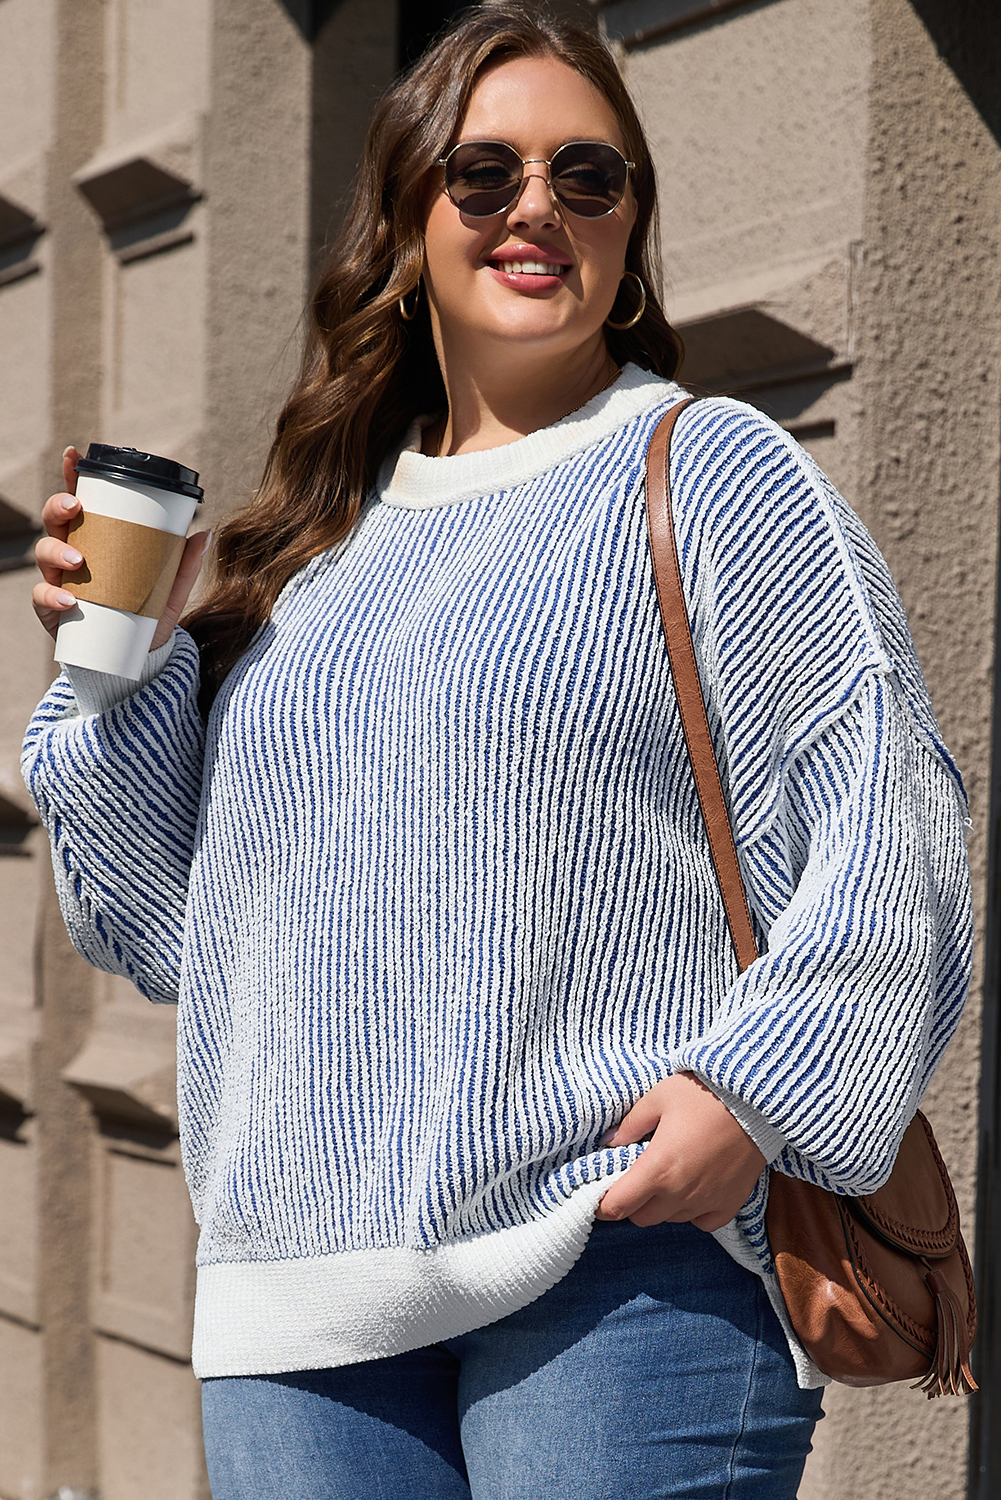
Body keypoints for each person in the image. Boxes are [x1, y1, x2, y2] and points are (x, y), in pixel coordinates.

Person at [23, 5, 972, 1497]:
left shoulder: (707, 472)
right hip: (296, 1300)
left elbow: (889, 819)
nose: (537, 205)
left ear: (627, 232)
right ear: (407, 223)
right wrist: (115, 669)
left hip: (617, 1277)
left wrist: (754, 1096)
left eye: (587, 177)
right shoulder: (310, 545)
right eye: (483, 173)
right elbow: (162, 925)